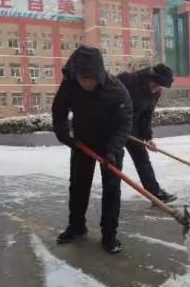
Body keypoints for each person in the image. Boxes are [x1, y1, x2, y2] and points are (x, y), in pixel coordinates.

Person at [52, 45, 133, 253]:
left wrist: (113, 151)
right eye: (82, 78)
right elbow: (59, 111)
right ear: (75, 74)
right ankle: (77, 226)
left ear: (99, 74)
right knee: (78, 185)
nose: (86, 83)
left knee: (111, 189)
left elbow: (123, 123)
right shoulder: (70, 84)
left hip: (110, 143)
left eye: (91, 78)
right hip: (83, 142)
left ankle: (109, 235)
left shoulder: (116, 90)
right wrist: (64, 135)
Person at [117, 63, 177, 203]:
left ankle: (154, 193)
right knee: (112, 161)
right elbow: (106, 97)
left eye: (160, 86)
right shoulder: (128, 80)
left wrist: (147, 137)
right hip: (113, 126)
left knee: (142, 159)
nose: (156, 89)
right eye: (155, 84)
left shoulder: (155, 93)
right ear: (150, 78)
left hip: (133, 128)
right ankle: (111, 196)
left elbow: (147, 115)